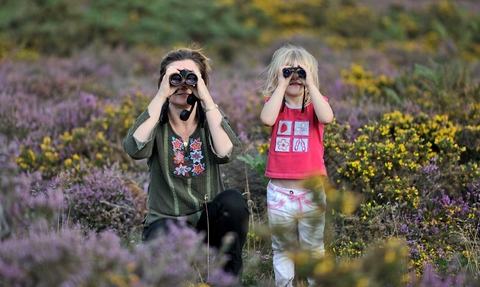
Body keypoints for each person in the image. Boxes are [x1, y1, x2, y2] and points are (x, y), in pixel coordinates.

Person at [123, 47, 249, 278]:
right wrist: (161, 95)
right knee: (158, 267)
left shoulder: (209, 120)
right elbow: (134, 148)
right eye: (175, 78)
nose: (183, 84)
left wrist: (207, 100)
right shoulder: (154, 122)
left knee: (233, 200)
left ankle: (229, 279)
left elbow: (226, 153)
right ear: (163, 82)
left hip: (208, 222)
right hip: (166, 223)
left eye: (191, 78)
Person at [259, 44, 334, 287]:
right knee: (282, 248)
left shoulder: (317, 105)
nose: (295, 78)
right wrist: (281, 86)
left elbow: (327, 118)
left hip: (311, 193)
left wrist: (311, 85)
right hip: (279, 193)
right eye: (288, 72)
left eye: (301, 72)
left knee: (313, 248)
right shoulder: (276, 105)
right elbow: (267, 119)